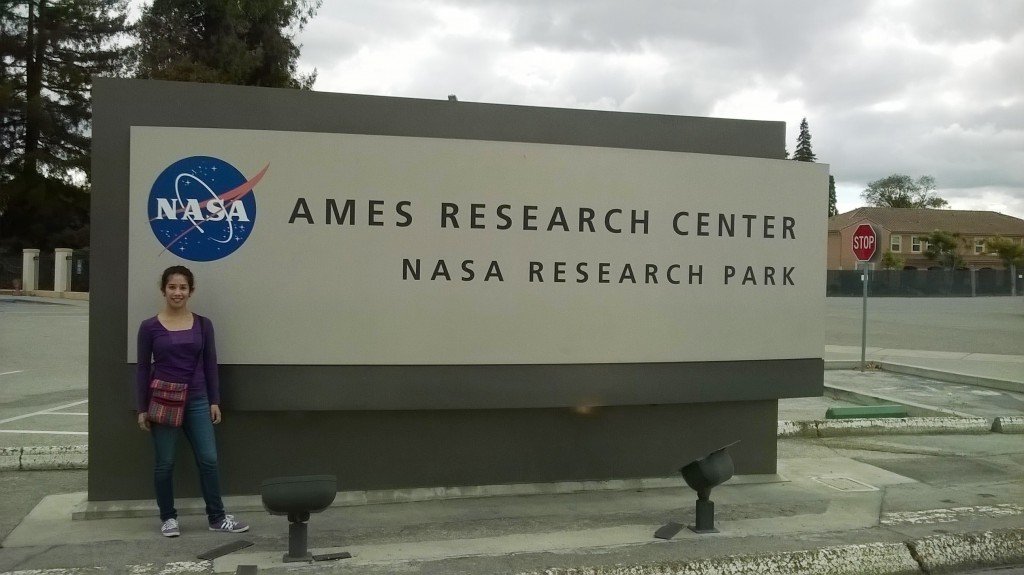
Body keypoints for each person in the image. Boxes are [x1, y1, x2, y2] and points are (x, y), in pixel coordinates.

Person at [136, 265, 249, 537]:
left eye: (183, 287)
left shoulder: (203, 324)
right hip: (163, 400)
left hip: (198, 399)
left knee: (208, 460)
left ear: (191, 291)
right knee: (165, 463)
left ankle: (217, 517)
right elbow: (141, 368)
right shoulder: (149, 327)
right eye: (172, 287)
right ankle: (168, 518)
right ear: (163, 290)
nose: (177, 292)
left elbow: (211, 363)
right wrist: (142, 408)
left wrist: (214, 400)